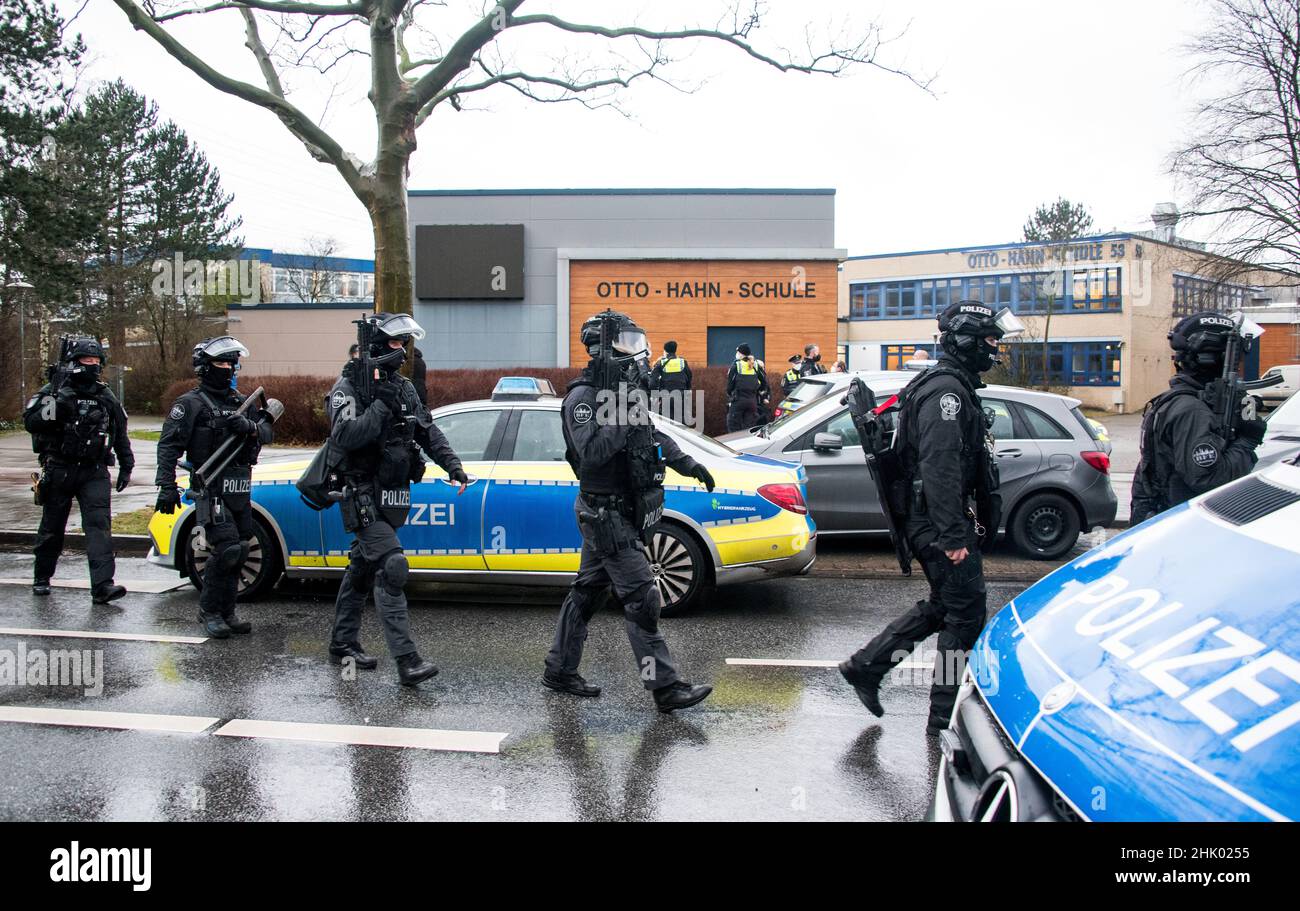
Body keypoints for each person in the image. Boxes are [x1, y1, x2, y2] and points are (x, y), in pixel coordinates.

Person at [839, 301, 1022, 734]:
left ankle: (867, 666)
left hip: (934, 521)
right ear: (967, 341)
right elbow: (939, 467)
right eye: (991, 340)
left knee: (948, 606)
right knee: (965, 615)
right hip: (938, 524)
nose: (995, 349)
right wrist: (953, 535)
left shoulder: (950, 384)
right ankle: (943, 718)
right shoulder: (947, 394)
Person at [544, 309, 716, 713]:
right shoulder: (583, 398)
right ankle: (665, 686)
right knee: (643, 597)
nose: (637, 352)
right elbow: (592, 454)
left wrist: (689, 464)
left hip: (622, 510)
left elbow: (650, 436)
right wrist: (622, 408)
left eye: (638, 342)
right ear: (602, 349)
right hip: (604, 513)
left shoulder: (622, 395)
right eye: (628, 342)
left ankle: (559, 670)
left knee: (588, 592)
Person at [327, 312, 469, 686]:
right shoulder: (348, 387)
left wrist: (452, 466)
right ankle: (408, 661)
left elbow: (427, 430)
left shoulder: (402, 387)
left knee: (361, 569)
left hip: (392, 495)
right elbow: (346, 437)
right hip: (359, 492)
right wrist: (378, 406)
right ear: (374, 344)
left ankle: (342, 643)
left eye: (404, 343)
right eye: (393, 342)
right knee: (393, 565)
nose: (401, 350)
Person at [156, 337, 275, 637]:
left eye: (231, 363)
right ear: (204, 366)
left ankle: (228, 611)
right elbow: (169, 446)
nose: (227, 368)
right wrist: (166, 485)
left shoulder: (241, 402)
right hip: (211, 487)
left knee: (242, 547)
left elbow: (265, 433)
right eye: (221, 363)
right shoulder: (190, 404)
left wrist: (249, 427)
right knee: (227, 548)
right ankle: (209, 611)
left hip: (239, 487)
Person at [24, 336, 133, 603]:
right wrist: (58, 403)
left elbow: (119, 430)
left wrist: (126, 463)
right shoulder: (54, 391)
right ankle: (42, 577)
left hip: (94, 470)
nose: (93, 365)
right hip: (60, 468)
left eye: (97, 361)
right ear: (74, 362)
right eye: (87, 360)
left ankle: (103, 586)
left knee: (99, 527)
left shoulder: (104, 394)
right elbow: (33, 423)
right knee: (52, 527)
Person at [1130, 311, 1267, 524]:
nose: (1238, 364)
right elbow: (1210, 480)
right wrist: (1247, 441)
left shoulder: (1181, 401)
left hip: (1166, 520)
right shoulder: (1192, 411)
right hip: (1178, 525)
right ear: (1214, 358)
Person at [725, 344, 768, 432]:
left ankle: (735, 445)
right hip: (752, 401)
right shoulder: (755, 364)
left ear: (741, 354)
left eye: (737, 352)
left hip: (738, 400)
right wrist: (760, 391)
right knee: (749, 428)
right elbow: (764, 381)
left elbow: (730, 385)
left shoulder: (736, 365)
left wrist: (730, 394)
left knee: (733, 425)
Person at [649, 340, 692, 423]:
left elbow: (652, 383)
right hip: (681, 397)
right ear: (675, 350)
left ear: (665, 351)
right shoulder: (682, 362)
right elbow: (689, 377)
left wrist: (656, 395)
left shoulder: (661, 363)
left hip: (666, 398)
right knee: (681, 426)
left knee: (668, 426)